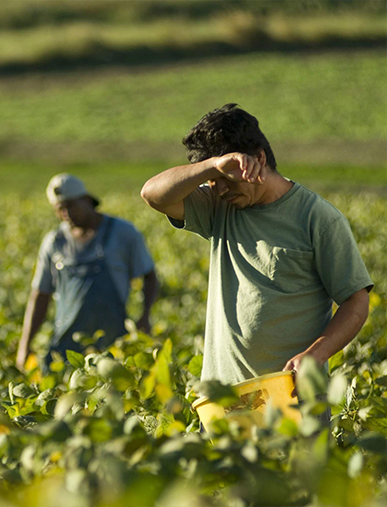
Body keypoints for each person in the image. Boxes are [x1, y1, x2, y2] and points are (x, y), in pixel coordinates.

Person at [140, 104, 373, 386]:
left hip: (291, 393)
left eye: (226, 178)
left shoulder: (317, 218)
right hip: (224, 396)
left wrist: (316, 354)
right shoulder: (218, 207)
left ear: (259, 159)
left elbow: (356, 300)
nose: (220, 189)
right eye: (212, 181)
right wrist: (212, 166)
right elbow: (152, 194)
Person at [16, 174, 159, 370]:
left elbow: (149, 276)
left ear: (86, 200)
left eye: (71, 205)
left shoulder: (122, 232)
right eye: (59, 209)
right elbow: (40, 295)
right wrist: (25, 345)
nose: (66, 213)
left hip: (114, 342)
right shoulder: (54, 242)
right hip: (67, 345)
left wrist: (145, 315)